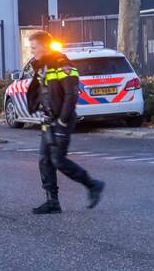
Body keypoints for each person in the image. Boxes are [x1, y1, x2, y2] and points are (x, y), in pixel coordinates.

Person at [26, 32, 105, 214]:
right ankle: (52, 202)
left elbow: (71, 95)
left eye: (34, 48)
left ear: (45, 47)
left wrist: (62, 120)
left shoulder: (64, 65)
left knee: (58, 160)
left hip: (62, 120)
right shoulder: (42, 67)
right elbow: (42, 91)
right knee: (44, 161)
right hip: (48, 120)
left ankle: (93, 185)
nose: (32, 51)